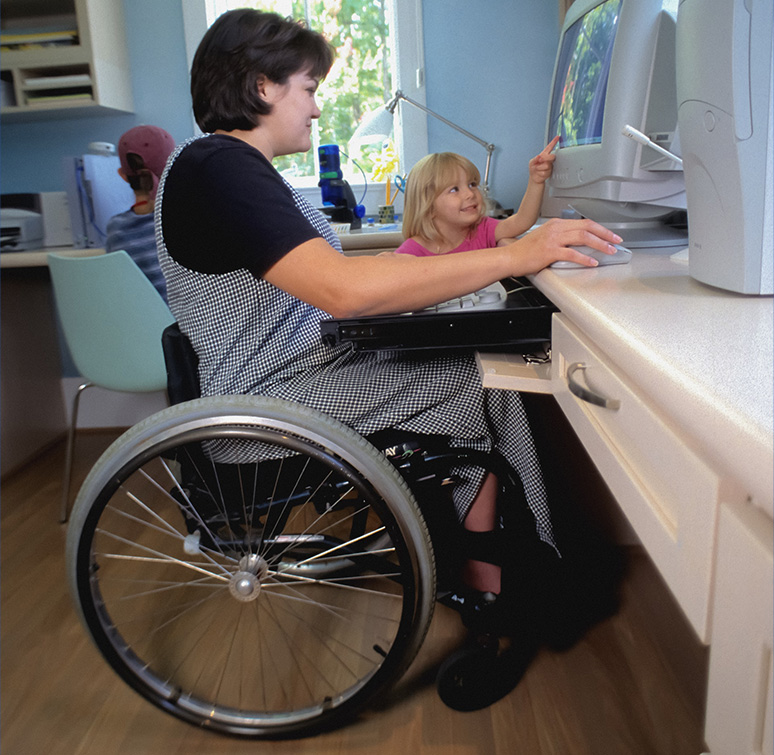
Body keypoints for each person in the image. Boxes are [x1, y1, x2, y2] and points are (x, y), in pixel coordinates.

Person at [157, 8, 620, 656]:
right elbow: (343, 291)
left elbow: (328, 292)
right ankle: (504, 575)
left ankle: (500, 567)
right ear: (263, 86)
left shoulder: (228, 169)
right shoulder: (218, 167)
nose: (316, 109)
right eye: (309, 88)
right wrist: (516, 254)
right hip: (269, 406)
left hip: (293, 379)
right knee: (479, 374)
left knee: (478, 371)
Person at [395, 142, 559, 257]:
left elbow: (522, 221)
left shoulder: (483, 230)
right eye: (454, 189)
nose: (470, 194)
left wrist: (536, 181)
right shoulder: (412, 252)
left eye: (472, 184)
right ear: (428, 207)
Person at [105, 124, 175, 301]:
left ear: (122, 174)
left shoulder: (115, 229)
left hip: (144, 326)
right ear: (173, 167)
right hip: (188, 325)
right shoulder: (186, 219)